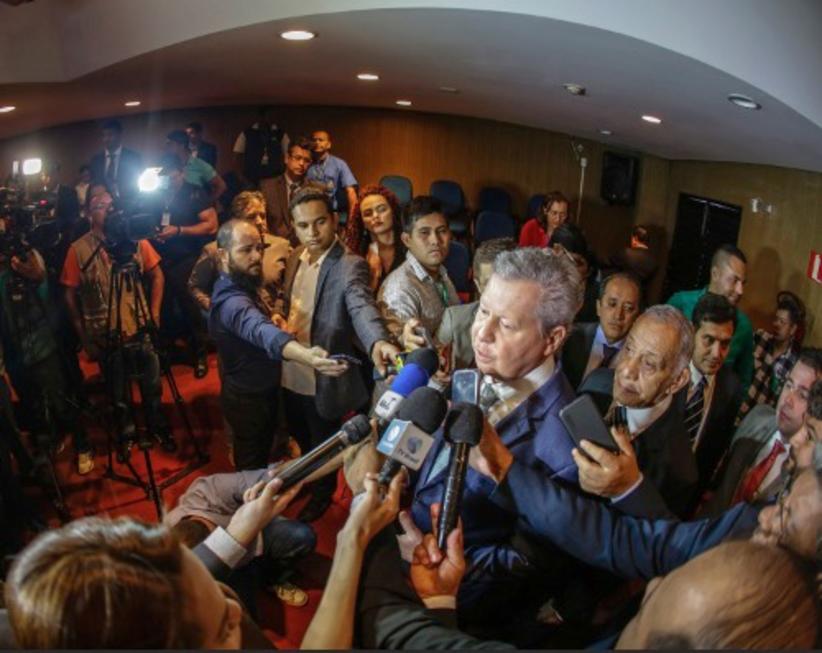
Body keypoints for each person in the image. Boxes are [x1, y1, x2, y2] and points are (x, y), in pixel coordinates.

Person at [404, 247, 582, 631]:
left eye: (507, 324)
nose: (482, 333)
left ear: (552, 339)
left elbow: (526, 559)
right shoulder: (479, 370)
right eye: (483, 311)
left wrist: (438, 561)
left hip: (457, 600)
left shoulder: (564, 448)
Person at [281, 186, 399, 521]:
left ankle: (322, 494)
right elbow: (288, 303)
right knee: (299, 432)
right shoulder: (295, 257)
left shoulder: (350, 265)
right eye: (303, 225)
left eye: (320, 222)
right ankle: (307, 480)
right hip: (291, 367)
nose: (313, 232)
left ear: (334, 220)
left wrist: (377, 342)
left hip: (323, 375)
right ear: (294, 227)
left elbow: (361, 306)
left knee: (323, 442)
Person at [209, 219, 346, 471]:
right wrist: (309, 357)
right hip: (248, 400)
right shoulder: (231, 303)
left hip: (261, 390)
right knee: (251, 469)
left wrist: (272, 315)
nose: (256, 257)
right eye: (245, 250)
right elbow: (262, 332)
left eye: (259, 248)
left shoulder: (239, 282)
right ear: (223, 255)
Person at [61, 190, 174, 455]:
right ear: (88, 214)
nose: (108, 208)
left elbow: (158, 275)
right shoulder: (78, 250)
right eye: (100, 205)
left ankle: (157, 426)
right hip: (106, 334)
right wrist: (83, 336)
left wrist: (155, 313)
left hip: (140, 327)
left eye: (111, 203)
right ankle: (127, 434)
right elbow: (68, 294)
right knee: (117, 393)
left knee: (152, 385)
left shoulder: (135, 239)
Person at [576, 306, 698, 517]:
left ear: (677, 381)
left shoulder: (679, 472)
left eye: (649, 364)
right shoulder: (596, 381)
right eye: (629, 349)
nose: (627, 370)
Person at [165, 467, 316, 609]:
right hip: (229, 574)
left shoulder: (208, 492)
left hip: (257, 538)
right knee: (242, 610)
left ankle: (273, 580)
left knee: (302, 536)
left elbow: (272, 474)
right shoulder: (166, 540)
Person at [0, 245, 93, 474]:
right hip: (16, 356)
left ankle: (82, 445)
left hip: (43, 348)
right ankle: (49, 440)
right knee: (32, 404)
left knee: (62, 402)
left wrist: (31, 272)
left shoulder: (23, 257)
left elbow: (44, 285)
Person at [703, 348, 822, 514]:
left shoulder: (810, 472)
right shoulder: (757, 418)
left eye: (802, 395)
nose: (787, 399)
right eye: (788, 385)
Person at [150, 154, 218, 379]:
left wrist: (179, 230)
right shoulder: (158, 195)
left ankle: (200, 354)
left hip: (187, 257)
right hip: (162, 258)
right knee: (165, 308)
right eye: (165, 176)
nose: (168, 180)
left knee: (190, 308)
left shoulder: (194, 193)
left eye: (172, 175)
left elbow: (211, 225)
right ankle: (169, 353)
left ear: (181, 173)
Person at [667, 243, 754, 393]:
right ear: (715, 274)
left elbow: (744, 380)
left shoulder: (744, 326)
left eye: (743, 283)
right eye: (734, 280)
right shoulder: (681, 303)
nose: (740, 291)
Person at [188, 190, 289, 316]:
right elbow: (195, 287)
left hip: (273, 321)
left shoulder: (281, 246)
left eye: (263, 216)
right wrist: (216, 310)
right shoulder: (214, 251)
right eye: (251, 217)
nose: (259, 221)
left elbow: (288, 287)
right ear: (236, 220)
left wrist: (278, 312)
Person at [679, 292, 741, 490]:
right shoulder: (669, 367)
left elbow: (711, 456)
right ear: (692, 332)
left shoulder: (731, 389)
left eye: (725, 344)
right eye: (709, 340)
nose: (716, 354)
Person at [378, 195, 459, 347]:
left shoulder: (441, 272)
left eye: (441, 231)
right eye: (424, 233)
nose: (435, 241)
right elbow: (408, 352)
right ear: (406, 240)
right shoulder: (400, 289)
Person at [436, 238, 516, 372]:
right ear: (478, 285)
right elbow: (439, 370)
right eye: (490, 284)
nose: (500, 292)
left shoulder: (538, 326)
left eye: (508, 281)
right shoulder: (454, 322)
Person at [561, 271, 641, 390]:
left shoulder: (637, 358)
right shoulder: (570, 337)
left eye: (628, 308)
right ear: (598, 307)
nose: (618, 315)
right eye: (612, 304)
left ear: (637, 316)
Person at [737, 290, 805, 423]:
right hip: (736, 409)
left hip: (759, 424)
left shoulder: (793, 363)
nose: (776, 324)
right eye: (776, 319)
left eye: (782, 322)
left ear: (792, 329)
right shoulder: (760, 338)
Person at [342, 184, 407, 291]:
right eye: (368, 214)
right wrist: (372, 278)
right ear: (362, 222)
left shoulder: (410, 246)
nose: (375, 216)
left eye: (382, 209)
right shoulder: (357, 254)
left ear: (393, 212)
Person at [259, 135, 312, 244]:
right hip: (274, 247)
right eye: (297, 158)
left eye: (306, 160)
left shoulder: (314, 191)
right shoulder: (267, 187)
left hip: (305, 248)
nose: (302, 163)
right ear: (286, 158)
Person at [548, 222, 600, 323]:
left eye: (576, 263)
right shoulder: (539, 290)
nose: (569, 268)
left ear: (589, 270)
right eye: (562, 260)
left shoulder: (597, 298)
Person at [233, 105, 290, 188]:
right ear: (260, 117)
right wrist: (242, 179)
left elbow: (289, 157)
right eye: (267, 117)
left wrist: (283, 179)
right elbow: (236, 158)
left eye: (272, 118)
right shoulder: (247, 134)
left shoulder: (280, 134)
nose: (269, 121)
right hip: (251, 178)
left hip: (274, 178)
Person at [88, 118, 143, 199]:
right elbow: (93, 184)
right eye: (104, 135)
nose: (106, 139)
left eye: (110, 135)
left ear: (120, 135)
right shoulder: (96, 160)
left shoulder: (133, 158)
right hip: (103, 204)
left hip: (129, 202)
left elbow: (137, 184)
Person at [306, 130, 358, 215]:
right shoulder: (306, 164)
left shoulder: (339, 164)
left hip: (333, 212)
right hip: (311, 211)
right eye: (314, 140)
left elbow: (351, 192)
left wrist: (352, 219)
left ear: (329, 144)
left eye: (321, 140)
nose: (317, 142)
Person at [165, 129, 227, 202]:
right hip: (171, 206)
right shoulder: (169, 163)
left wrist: (207, 202)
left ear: (181, 145)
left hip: (192, 207)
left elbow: (221, 186)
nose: (167, 146)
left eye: (170, 144)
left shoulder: (199, 165)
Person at [608, 225, 658, 295]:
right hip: (639, 293)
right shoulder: (654, 261)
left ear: (635, 238)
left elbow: (611, 261)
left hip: (623, 289)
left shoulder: (626, 253)